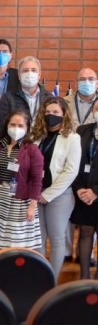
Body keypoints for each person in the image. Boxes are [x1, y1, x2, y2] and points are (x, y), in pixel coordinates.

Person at [28, 98, 81, 281]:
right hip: (36, 195)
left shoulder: (72, 138)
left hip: (59, 196)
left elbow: (71, 171)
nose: (51, 116)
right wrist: (36, 193)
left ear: (64, 115)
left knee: (57, 239)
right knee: (38, 239)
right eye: (48, 112)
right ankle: (40, 278)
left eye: (56, 113)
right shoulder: (36, 136)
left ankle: (52, 280)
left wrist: (48, 194)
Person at [0, 111, 43, 250]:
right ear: (7, 126)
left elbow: (37, 180)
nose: (16, 128)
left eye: (20, 125)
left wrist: (32, 205)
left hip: (19, 200)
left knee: (15, 242)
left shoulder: (32, 149)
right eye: (13, 124)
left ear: (27, 128)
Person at [70, 99, 98, 279]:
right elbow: (74, 161)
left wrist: (95, 191)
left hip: (95, 192)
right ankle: (84, 276)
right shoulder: (82, 131)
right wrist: (79, 188)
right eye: (97, 108)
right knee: (85, 232)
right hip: (83, 192)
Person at [0, 56, 54, 131]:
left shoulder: (49, 98)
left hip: (43, 141)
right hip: (16, 141)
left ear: (39, 75)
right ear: (19, 75)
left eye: (33, 70)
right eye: (25, 70)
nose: (30, 74)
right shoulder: (8, 98)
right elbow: (2, 127)